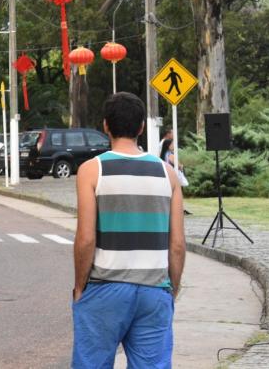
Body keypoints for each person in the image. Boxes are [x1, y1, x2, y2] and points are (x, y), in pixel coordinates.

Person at [72, 92, 185, 369]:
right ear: (141, 128)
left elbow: (86, 239)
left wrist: (79, 287)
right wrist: (172, 287)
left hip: (104, 288)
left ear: (106, 126)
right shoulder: (167, 174)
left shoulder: (91, 170)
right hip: (154, 290)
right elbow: (178, 244)